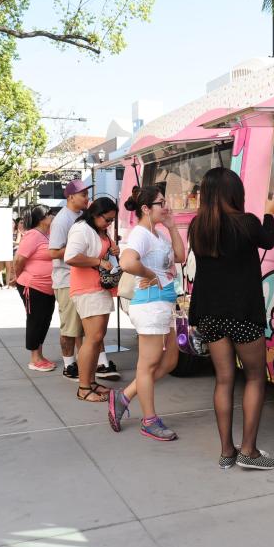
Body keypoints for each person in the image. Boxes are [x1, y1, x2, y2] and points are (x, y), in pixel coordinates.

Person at [188, 167, 274, 470]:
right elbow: (269, 240)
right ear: (233, 193)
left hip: (211, 314)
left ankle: (227, 451)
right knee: (254, 377)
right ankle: (249, 452)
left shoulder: (198, 226)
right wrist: (270, 212)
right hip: (242, 313)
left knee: (224, 380)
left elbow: (202, 275)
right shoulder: (247, 223)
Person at [110, 186, 185, 441]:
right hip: (151, 305)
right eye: (160, 203)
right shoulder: (141, 233)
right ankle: (149, 420)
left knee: (170, 362)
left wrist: (173, 226)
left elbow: (180, 256)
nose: (165, 206)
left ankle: (124, 396)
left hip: (164, 304)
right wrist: (151, 275)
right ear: (145, 208)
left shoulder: (158, 234)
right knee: (148, 365)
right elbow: (127, 262)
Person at [49, 179, 119, 382]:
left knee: (93, 335)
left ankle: (96, 368)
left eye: (88, 195)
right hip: (70, 280)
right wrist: (94, 258)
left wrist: (109, 248)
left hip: (94, 284)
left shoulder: (87, 221)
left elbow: (100, 243)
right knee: (74, 329)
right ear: (70, 196)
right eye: (83, 195)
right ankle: (73, 368)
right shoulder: (66, 222)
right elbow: (58, 253)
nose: (87, 199)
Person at [64, 196, 120, 402]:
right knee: (93, 338)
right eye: (107, 219)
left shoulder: (97, 230)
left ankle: (91, 381)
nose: (109, 223)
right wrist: (98, 261)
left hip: (98, 288)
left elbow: (103, 251)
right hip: (87, 289)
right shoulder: (81, 229)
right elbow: (70, 256)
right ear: (96, 215)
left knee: (97, 338)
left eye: (112, 220)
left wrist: (113, 250)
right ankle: (84, 387)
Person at [13, 205, 58, 372]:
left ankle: (39, 355)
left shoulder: (47, 235)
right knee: (35, 320)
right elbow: (19, 260)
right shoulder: (33, 235)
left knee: (44, 320)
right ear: (41, 218)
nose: (52, 216)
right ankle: (34, 358)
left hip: (48, 287)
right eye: (48, 214)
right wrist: (17, 277)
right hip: (32, 286)